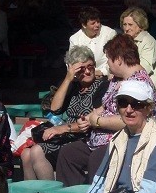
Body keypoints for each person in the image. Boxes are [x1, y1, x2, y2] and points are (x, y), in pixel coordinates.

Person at [55, 34, 156, 187]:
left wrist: (97, 121)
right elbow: (104, 106)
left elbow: (131, 121)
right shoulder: (117, 79)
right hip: (98, 139)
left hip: (125, 142)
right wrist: (88, 119)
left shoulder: (140, 84)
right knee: (68, 153)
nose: (107, 65)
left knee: (98, 157)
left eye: (108, 60)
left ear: (118, 59)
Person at [21, 46, 109, 181]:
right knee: (26, 154)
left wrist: (62, 128)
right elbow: (55, 109)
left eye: (90, 66)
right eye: (81, 69)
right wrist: (68, 79)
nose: (86, 71)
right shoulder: (73, 86)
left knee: (36, 151)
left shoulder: (102, 86)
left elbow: (90, 121)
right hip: (66, 136)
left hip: (84, 137)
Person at [121, 7, 156, 95]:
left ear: (140, 26)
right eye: (124, 24)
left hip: (148, 87)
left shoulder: (148, 41)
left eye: (130, 25)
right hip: (129, 82)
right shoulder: (124, 39)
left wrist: (123, 74)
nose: (126, 28)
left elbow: (145, 68)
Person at [68, 6, 117, 76]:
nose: (97, 25)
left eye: (98, 22)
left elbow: (115, 58)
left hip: (105, 75)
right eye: (93, 23)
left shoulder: (109, 33)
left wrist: (102, 72)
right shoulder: (75, 39)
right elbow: (71, 63)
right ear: (84, 25)